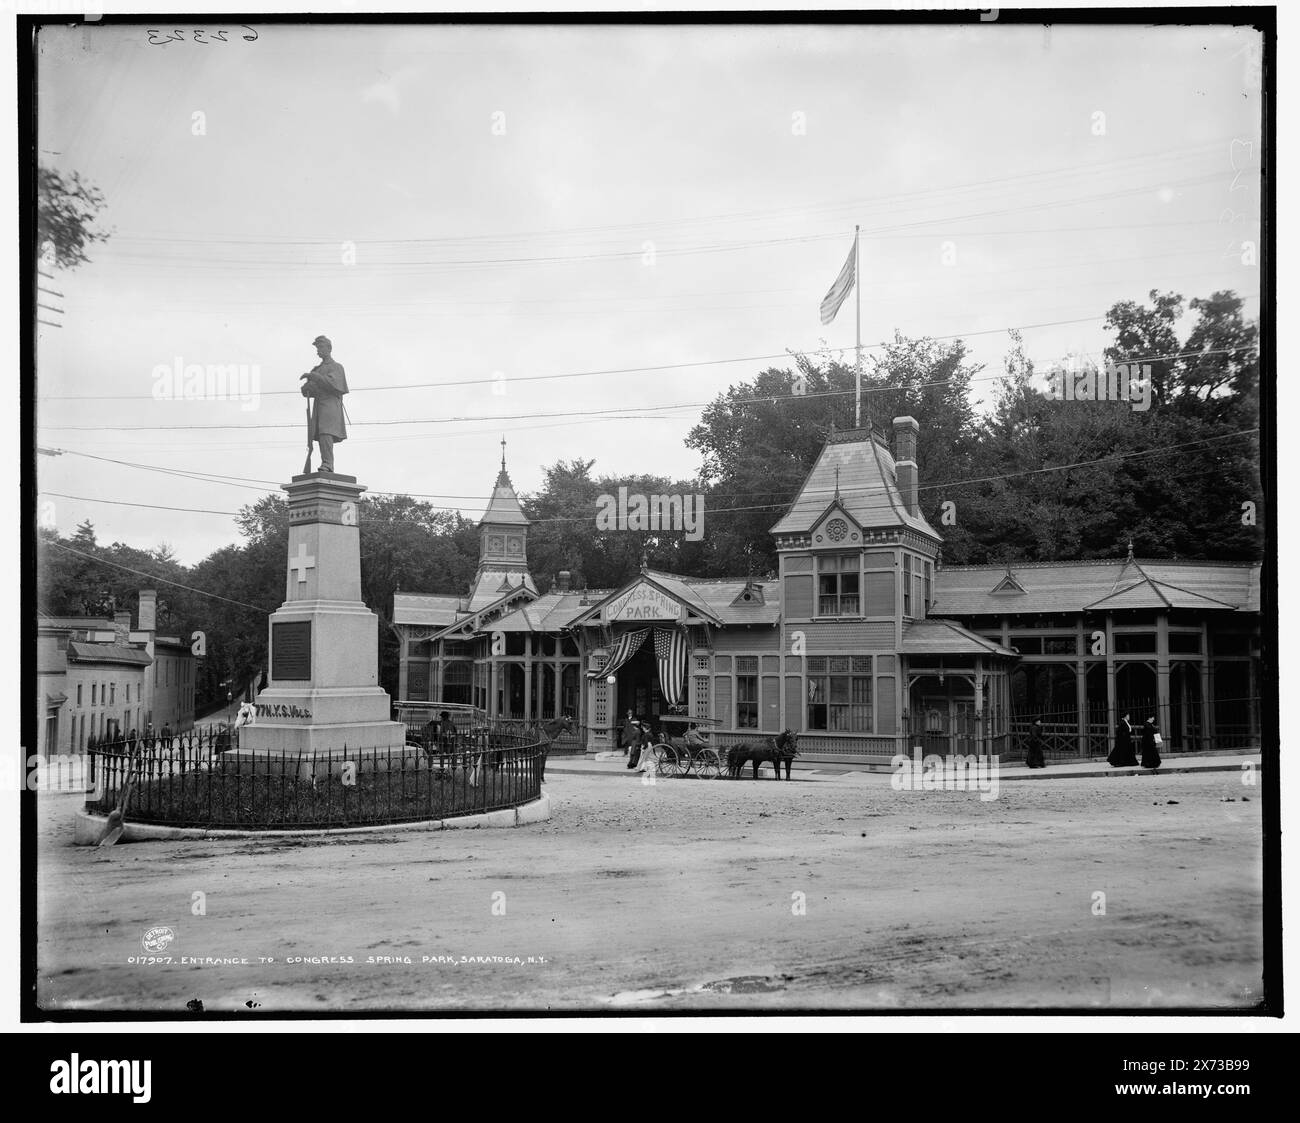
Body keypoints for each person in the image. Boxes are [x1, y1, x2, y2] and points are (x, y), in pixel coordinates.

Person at [300, 335, 349, 473]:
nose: (318, 351)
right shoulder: (316, 369)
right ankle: (325, 463)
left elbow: (333, 384)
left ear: (329, 348)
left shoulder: (337, 367)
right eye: (317, 348)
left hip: (330, 405)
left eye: (321, 347)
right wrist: (307, 388)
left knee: (326, 433)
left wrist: (314, 377)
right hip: (319, 406)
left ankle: (328, 463)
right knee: (321, 434)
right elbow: (307, 391)